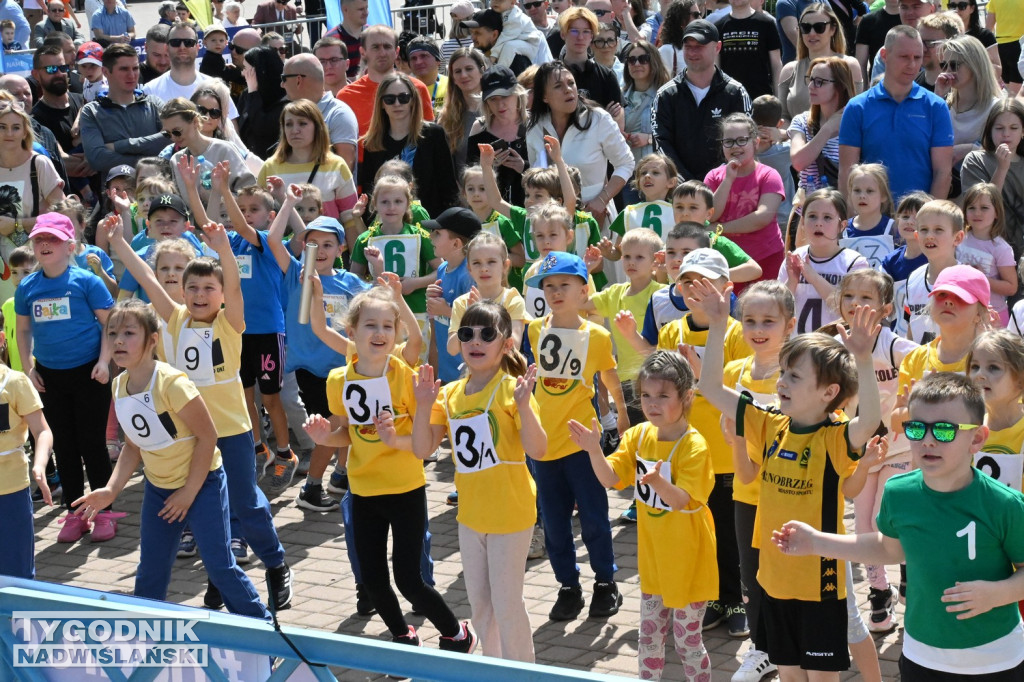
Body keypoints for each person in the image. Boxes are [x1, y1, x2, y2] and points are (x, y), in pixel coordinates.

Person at [775, 371, 1024, 681]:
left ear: (976, 438)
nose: (928, 439)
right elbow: (887, 548)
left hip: (996, 658)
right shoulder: (899, 491)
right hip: (922, 655)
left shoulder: (1005, 504)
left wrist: (998, 593)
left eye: (944, 430)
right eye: (917, 428)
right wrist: (816, 542)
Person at [694, 277, 882, 682]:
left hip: (820, 583)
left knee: (820, 677)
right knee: (790, 674)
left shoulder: (834, 436)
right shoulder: (768, 424)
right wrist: (716, 324)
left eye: (794, 377)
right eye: (783, 373)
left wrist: (864, 360)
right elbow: (710, 387)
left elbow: (869, 420)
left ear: (828, 392)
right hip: (774, 580)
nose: (781, 382)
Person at [73, 299, 273, 620]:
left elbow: (208, 437)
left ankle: (263, 629)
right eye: (112, 334)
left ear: (153, 340)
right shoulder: (119, 386)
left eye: (129, 333)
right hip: (159, 491)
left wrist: (189, 492)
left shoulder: (172, 382)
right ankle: (144, 636)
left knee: (219, 565)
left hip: (202, 484)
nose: (119, 341)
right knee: (151, 569)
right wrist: (111, 490)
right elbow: (133, 446)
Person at [308, 285, 477, 651]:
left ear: (396, 332)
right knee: (372, 578)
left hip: (405, 489)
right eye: (371, 325)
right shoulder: (339, 380)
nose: (380, 333)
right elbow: (347, 436)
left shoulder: (404, 373)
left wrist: (399, 429)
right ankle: (403, 636)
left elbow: (422, 439)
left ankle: (456, 633)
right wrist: (324, 436)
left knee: (409, 579)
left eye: (388, 326)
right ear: (351, 332)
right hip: (364, 491)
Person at [571, 351, 716, 681]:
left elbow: (682, 500)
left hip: (691, 565)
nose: (652, 404)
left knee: (687, 642)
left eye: (663, 396)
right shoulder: (638, 436)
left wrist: (658, 482)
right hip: (654, 565)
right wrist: (595, 449)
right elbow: (610, 478)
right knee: (649, 639)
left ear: (687, 396)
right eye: (646, 395)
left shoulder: (694, 446)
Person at [412, 301, 544, 662]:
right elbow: (422, 448)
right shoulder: (450, 393)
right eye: (467, 332)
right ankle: (494, 669)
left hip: (511, 514)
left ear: (506, 344)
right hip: (471, 517)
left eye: (487, 333)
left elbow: (540, 449)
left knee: (506, 604)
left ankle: (523, 673)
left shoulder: (511, 389)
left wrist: (526, 405)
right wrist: (423, 404)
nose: (475, 340)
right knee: (481, 608)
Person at [525, 251, 627, 621]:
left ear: (584, 291)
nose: (555, 292)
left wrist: (623, 413)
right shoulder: (534, 330)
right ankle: (568, 585)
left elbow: (610, 376)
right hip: (543, 445)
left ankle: (605, 582)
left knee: (595, 519)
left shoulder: (597, 335)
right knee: (553, 524)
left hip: (582, 443)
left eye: (564, 285)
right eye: (548, 286)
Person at [14, 213, 114, 543]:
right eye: (39, 239)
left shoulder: (87, 282)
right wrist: (30, 367)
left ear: (69, 246)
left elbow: (109, 326)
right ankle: (74, 512)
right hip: (49, 378)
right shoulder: (27, 287)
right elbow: (24, 330)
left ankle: (103, 512)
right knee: (65, 446)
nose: (44, 245)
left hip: (89, 373)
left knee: (93, 444)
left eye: (52, 240)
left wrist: (104, 362)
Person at [838, 25, 954, 202]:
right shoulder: (857, 107)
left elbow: (943, 173)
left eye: (917, 57)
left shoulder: (936, 107)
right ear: (884, 56)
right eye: (904, 57)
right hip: (872, 221)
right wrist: (854, 223)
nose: (912, 64)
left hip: (919, 221)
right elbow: (847, 172)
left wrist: (929, 219)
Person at [525, 61, 634, 225]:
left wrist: (602, 199)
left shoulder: (598, 119)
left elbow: (626, 163)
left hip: (595, 219)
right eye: (558, 86)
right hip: (549, 225)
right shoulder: (534, 128)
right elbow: (535, 177)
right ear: (544, 97)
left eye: (571, 83)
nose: (568, 89)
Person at [652, 19, 751, 183]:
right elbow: (661, 142)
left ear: (717, 47)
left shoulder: (735, 92)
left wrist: (716, 180)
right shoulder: (666, 95)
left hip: (726, 186)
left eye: (699, 46)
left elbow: (744, 142)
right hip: (681, 191)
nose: (692, 53)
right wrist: (686, 183)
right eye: (688, 47)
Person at [358, 73, 458, 219]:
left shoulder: (433, 135)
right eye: (390, 99)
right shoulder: (372, 142)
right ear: (382, 104)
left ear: (413, 100)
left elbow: (448, 187)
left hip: (430, 224)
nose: (397, 104)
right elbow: (370, 192)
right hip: (387, 227)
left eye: (403, 97)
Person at [934, 34, 1002, 199]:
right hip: (945, 194)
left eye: (954, 65)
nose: (948, 71)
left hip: (979, 197)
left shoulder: (996, 108)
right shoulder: (943, 104)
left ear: (974, 64)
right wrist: (937, 97)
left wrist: (970, 149)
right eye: (944, 65)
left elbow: (1008, 153)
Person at [337, 26, 434, 138]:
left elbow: (429, 137)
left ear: (396, 51)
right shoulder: (346, 96)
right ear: (363, 52)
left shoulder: (417, 88)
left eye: (387, 46)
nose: (382, 53)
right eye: (375, 47)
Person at [161, 99, 256, 213]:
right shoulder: (176, 160)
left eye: (177, 131)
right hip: (194, 229)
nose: (173, 137)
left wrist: (217, 198)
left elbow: (250, 191)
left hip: (229, 225)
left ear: (195, 122)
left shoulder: (224, 149)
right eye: (167, 134)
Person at [777, 4, 861, 123]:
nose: (811, 33)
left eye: (819, 27)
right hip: (795, 139)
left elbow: (856, 114)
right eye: (805, 27)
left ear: (833, 29)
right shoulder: (789, 70)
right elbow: (783, 118)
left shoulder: (849, 65)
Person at [962, 98, 1024, 259]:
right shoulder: (976, 160)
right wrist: (1002, 168)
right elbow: (980, 204)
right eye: (999, 128)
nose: (1006, 134)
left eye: (1014, 128)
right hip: (987, 252)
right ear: (989, 130)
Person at [142, 22, 239, 122]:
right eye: (176, 42)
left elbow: (231, 132)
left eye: (189, 42)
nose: (182, 47)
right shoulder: (150, 90)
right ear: (167, 48)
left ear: (197, 47)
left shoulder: (217, 88)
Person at [466, 65, 529, 210]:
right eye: (493, 99)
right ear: (485, 102)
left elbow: (549, 173)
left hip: (530, 213)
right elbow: (469, 177)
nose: (500, 104)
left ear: (517, 94)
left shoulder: (533, 126)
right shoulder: (479, 128)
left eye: (505, 96)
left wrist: (524, 167)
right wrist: (489, 167)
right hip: (490, 214)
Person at [281, 53, 359, 169]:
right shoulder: (291, 113)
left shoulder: (338, 114)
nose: (282, 85)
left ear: (298, 80)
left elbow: (344, 170)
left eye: (284, 78)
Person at [958, 183, 1017, 326]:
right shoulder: (959, 237)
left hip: (993, 316)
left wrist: (981, 278)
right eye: (971, 208)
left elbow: (1011, 287)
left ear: (997, 212)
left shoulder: (1001, 248)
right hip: (962, 310)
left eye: (984, 208)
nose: (977, 213)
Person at [622, 40, 671, 186]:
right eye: (631, 60)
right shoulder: (619, 98)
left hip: (660, 175)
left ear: (653, 62)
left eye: (643, 59)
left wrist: (649, 139)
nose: (637, 64)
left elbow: (679, 135)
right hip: (630, 176)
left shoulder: (667, 96)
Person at [554, 7, 622, 111]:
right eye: (574, 31)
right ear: (563, 34)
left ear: (592, 36)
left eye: (585, 31)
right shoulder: (550, 75)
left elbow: (618, 119)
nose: (580, 37)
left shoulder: (607, 76)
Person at [713, 0, 781, 100]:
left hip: (761, 99)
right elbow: (715, 67)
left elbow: (776, 65)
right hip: (729, 99)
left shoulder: (767, 23)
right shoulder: (718, 26)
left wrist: (779, 98)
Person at [437, 47, 487, 172]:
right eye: (458, 71)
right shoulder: (446, 117)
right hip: (460, 189)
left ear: (482, 71)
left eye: (469, 69)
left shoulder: (498, 110)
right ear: (453, 78)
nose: (463, 75)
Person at [985, 0, 1023, 96]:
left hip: (1000, 48)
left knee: (1011, 92)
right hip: (1018, 46)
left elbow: (988, 28)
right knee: (1015, 95)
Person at [656, 0, 701, 77]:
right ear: (682, 19)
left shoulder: (703, 48)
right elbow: (661, 84)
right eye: (696, 15)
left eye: (700, 14)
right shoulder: (667, 51)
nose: (700, 18)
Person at [406, 37, 447, 114]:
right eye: (413, 58)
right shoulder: (404, 88)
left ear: (437, 60)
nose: (418, 62)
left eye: (424, 56)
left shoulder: (452, 85)